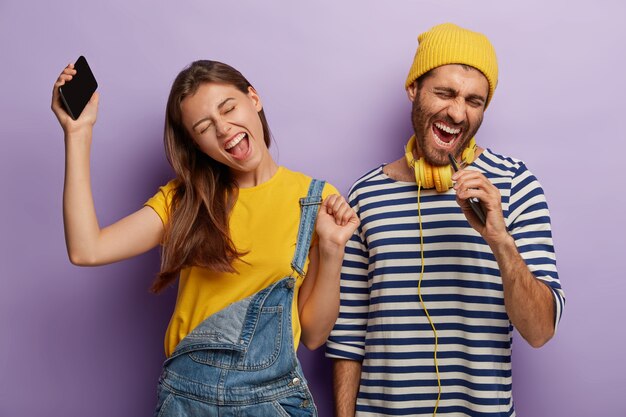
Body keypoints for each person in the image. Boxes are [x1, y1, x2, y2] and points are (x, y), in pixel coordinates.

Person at [51, 59, 359, 416]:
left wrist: (333, 249)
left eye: (228, 108)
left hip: (272, 402)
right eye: (204, 127)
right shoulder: (185, 201)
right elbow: (86, 249)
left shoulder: (314, 200)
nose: (224, 128)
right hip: (187, 401)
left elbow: (314, 335)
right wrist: (78, 133)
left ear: (253, 98)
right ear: (196, 144)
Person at [326, 23, 565, 417]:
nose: (457, 112)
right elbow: (349, 335)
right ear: (413, 90)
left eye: (474, 100)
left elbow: (540, 332)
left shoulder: (516, 185)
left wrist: (499, 239)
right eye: (445, 93)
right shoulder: (365, 195)